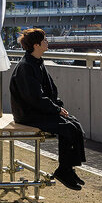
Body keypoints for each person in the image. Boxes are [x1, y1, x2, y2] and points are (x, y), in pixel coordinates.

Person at [9, 28, 86, 191]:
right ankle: (64, 170)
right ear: (36, 45)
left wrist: (58, 107)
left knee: (75, 125)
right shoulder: (26, 67)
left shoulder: (36, 62)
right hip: (28, 114)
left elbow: (50, 91)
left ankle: (68, 169)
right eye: (44, 40)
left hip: (39, 110)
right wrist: (56, 109)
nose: (47, 42)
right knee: (68, 128)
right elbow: (35, 98)